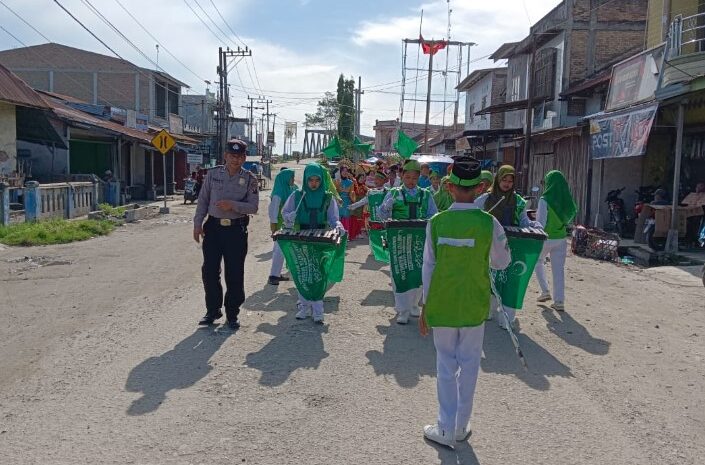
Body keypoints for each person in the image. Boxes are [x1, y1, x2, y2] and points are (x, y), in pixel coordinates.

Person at [419, 156, 511, 449]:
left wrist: (424, 307)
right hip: (474, 303)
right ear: (481, 187)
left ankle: (445, 426)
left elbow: (428, 268)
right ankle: (459, 427)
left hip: (442, 304)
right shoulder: (490, 223)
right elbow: (501, 262)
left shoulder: (436, 223)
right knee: (470, 364)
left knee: (445, 363)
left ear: (449, 187)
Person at [193, 139, 259, 329]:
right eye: (232, 156)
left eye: (239, 156)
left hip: (236, 230)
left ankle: (232, 313)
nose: (235, 160)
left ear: (244, 158)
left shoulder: (249, 179)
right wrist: (197, 224)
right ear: (225, 156)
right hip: (213, 229)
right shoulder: (213, 175)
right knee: (210, 271)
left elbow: (253, 207)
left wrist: (233, 205)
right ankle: (212, 311)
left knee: (235, 272)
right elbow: (203, 201)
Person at [282, 163, 343, 324]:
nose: (314, 183)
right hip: (301, 238)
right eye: (311, 180)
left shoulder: (328, 197)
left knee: (319, 274)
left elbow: (333, 218)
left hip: (322, 239)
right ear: (306, 180)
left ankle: (318, 310)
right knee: (303, 272)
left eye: (317, 180)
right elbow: (285, 213)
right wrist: (290, 216)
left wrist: (338, 226)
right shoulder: (297, 195)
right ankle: (304, 307)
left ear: (322, 180)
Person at [379, 159, 438, 324]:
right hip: (399, 241)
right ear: (402, 176)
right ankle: (402, 309)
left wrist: (428, 220)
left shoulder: (426, 194)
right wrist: (386, 207)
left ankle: (413, 304)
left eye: (414, 178)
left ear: (419, 178)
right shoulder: (394, 193)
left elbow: (434, 215)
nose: (411, 181)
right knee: (400, 273)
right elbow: (382, 216)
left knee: (419, 273)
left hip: (420, 239)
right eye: (408, 177)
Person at [475, 165, 532, 328]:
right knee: (490, 277)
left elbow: (524, 221)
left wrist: (533, 226)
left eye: (510, 181)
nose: (506, 184)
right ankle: (488, 310)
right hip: (490, 245)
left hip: (512, 245)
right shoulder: (485, 199)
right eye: (503, 180)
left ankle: (507, 317)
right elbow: (474, 216)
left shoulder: (519, 201)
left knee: (510, 280)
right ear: (497, 180)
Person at [534, 170, 577, 312]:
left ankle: (545, 290)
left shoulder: (544, 199)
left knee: (538, 261)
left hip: (545, 238)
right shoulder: (567, 201)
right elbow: (568, 218)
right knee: (558, 271)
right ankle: (559, 301)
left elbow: (541, 222)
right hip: (561, 239)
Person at [268, 168, 296, 285]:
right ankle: (274, 276)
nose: (293, 180)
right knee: (278, 249)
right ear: (285, 179)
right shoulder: (278, 193)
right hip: (280, 224)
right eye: (291, 177)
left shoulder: (291, 189)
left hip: (289, 224)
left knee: (282, 250)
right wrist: (274, 227)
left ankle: (276, 275)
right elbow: (273, 211)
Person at [337, 166, 358, 240]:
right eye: (343, 171)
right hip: (338, 202)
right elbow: (335, 192)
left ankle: (345, 237)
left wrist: (352, 194)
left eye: (347, 171)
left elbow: (352, 194)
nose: (345, 172)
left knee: (346, 219)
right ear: (340, 172)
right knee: (338, 218)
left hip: (347, 202)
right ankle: (337, 236)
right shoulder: (336, 181)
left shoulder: (351, 182)